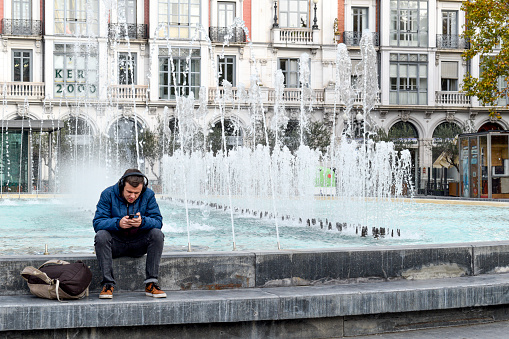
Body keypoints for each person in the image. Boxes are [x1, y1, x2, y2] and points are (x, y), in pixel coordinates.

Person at [93, 169, 166, 299]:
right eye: (129, 192)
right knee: (101, 236)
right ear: (122, 186)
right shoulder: (107, 194)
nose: (132, 196)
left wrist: (142, 222)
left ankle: (151, 283)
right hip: (116, 244)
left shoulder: (148, 195)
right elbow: (98, 223)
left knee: (157, 234)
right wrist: (118, 223)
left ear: (142, 189)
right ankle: (108, 284)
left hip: (138, 243)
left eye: (136, 193)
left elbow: (158, 221)